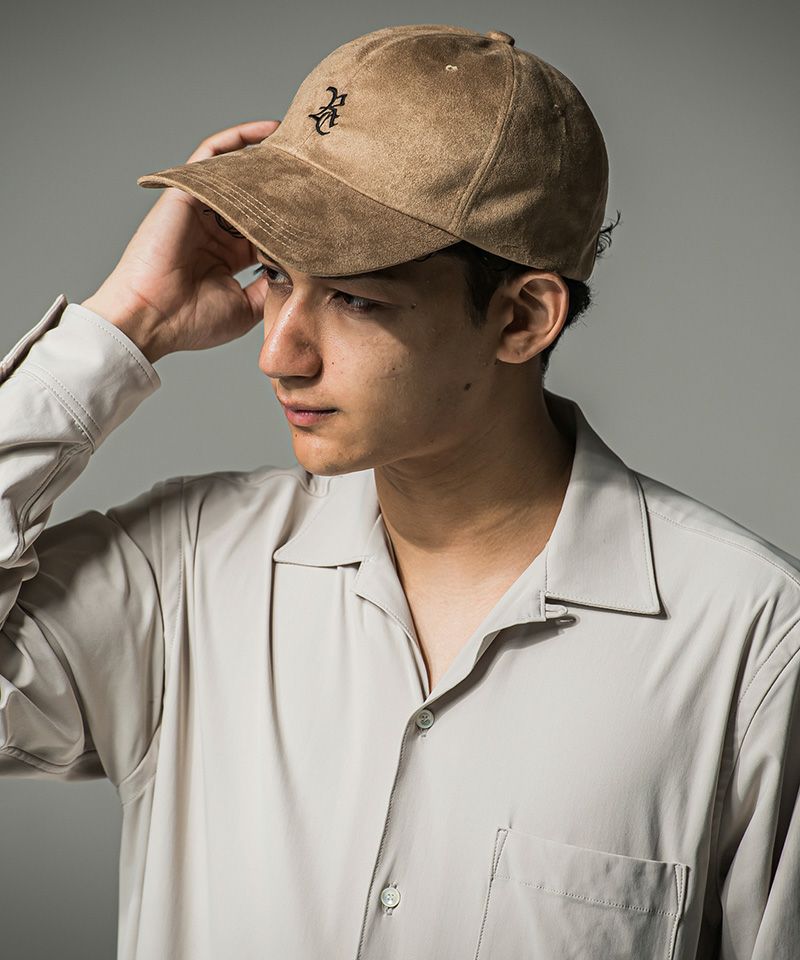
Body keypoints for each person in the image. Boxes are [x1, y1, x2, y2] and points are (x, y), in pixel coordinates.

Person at [1, 22, 798, 960]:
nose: (276, 353)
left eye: (355, 298)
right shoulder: (180, 574)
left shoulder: (753, 641)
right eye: (275, 277)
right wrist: (125, 324)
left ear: (523, 317)